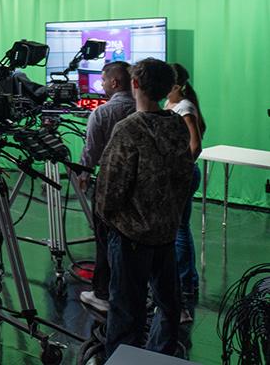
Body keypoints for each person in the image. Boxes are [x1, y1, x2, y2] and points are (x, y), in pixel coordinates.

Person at [96, 58, 194, 358]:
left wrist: (105, 216)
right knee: (168, 305)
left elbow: (110, 188)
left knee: (126, 310)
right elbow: (185, 174)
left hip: (131, 237)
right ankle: (158, 355)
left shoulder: (128, 129)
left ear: (135, 84)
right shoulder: (177, 123)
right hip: (165, 232)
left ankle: (122, 359)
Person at [78, 61, 136, 314]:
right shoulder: (143, 109)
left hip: (108, 184)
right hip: (139, 186)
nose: (100, 85)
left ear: (114, 82)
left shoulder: (101, 114)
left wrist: (83, 174)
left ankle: (102, 292)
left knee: (104, 240)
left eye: (102, 80)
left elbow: (91, 152)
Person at [166, 63, 207, 315]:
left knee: (180, 229)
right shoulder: (171, 104)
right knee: (177, 228)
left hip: (183, 174)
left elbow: (196, 144)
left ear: (177, 85)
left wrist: (182, 168)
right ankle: (187, 280)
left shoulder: (185, 108)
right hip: (175, 173)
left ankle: (186, 283)